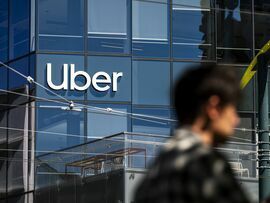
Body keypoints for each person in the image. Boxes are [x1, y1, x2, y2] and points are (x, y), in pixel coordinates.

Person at [134, 64, 250, 203]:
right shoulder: (205, 162)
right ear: (213, 107)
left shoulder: (152, 175)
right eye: (233, 109)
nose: (236, 120)